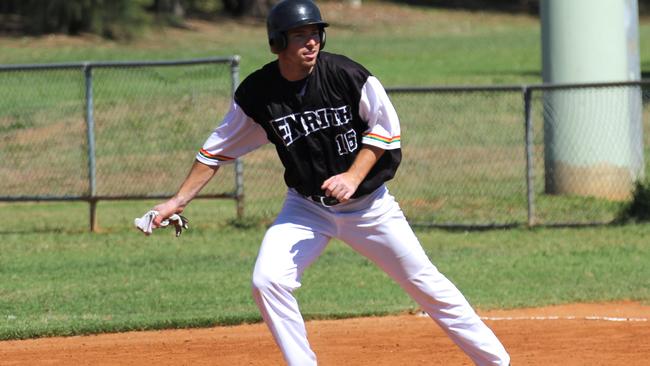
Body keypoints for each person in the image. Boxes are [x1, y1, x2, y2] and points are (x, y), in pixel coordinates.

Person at [140, 0, 510, 364]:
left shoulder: (346, 75)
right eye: (300, 35)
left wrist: (353, 175)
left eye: (316, 33)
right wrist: (178, 200)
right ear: (277, 43)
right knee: (267, 281)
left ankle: (496, 362)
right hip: (306, 208)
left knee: (427, 285)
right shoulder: (259, 94)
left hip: (370, 208)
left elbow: (385, 130)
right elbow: (215, 151)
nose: (312, 41)